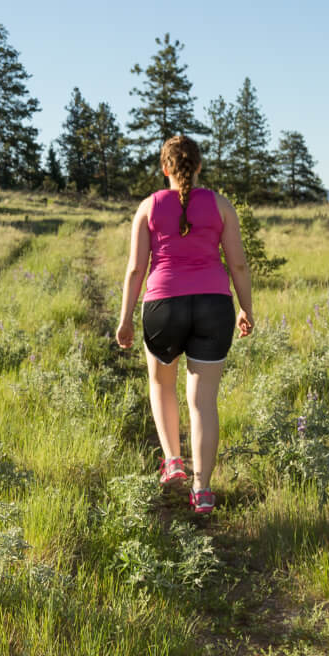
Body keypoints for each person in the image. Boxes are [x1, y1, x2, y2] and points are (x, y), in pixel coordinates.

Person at [114, 134, 256, 513]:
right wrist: (247, 308)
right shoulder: (221, 206)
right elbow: (239, 264)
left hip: (163, 306)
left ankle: (173, 461)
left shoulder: (148, 207)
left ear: (165, 169)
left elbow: (135, 269)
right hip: (214, 306)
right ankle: (203, 491)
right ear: (198, 166)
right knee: (203, 401)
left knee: (162, 383)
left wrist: (125, 319)